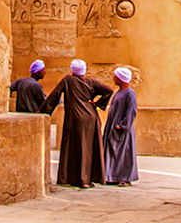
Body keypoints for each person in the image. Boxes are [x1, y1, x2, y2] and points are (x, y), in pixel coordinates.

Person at [42, 58, 113, 188]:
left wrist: (43, 112)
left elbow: (54, 96)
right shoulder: (91, 82)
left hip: (75, 119)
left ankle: (72, 178)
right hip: (90, 119)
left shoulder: (68, 80)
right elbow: (108, 90)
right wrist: (97, 104)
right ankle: (87, 179)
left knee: (73, 147)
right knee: (88, 149)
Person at [103, 66, 138, 185]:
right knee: (114, 152)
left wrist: (123, 126)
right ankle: (112, 177)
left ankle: (125, 178)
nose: (113, 78)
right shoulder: (120, 92)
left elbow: (131, 111)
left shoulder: (130, 93)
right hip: (114, 126)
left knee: (124, 154)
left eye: (115, 76)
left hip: (122, 129)